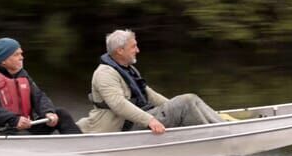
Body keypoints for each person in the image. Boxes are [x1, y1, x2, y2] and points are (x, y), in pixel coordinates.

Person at [76, 29, 225, 134]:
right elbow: (119, 105)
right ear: (120, 51)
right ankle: (218, 137)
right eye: (133, 46)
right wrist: (150, 120)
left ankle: (225, 127)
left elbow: (150, 95)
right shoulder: (104, 74)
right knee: (186, 101)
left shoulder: (129, 69)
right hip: (121, 128)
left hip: (136, 119)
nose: (138, 50)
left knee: (190, 100)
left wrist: (175, 108)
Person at [0, 37, 82, 134]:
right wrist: (14, 119)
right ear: (3, 61)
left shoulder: (21, 74)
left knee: (60, 114)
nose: (21, 58)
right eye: (16, 55)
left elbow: (39, 97)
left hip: (24, 127)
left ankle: (80, 145)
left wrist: (48, 112)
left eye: (21, 53)